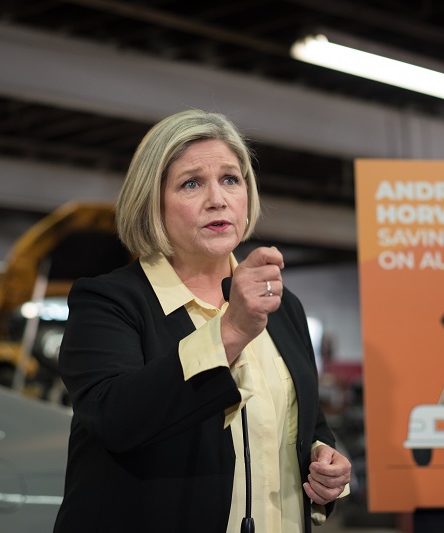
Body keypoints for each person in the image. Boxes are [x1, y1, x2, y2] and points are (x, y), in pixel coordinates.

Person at [53, 109, 351, 533]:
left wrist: (324, 463)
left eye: (231, 179)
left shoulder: (282, 306)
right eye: (191, 183)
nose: (218, 198)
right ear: (152, 202)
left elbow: (305, 424)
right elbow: (117, 420)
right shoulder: (109, 302)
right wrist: (231, 330)